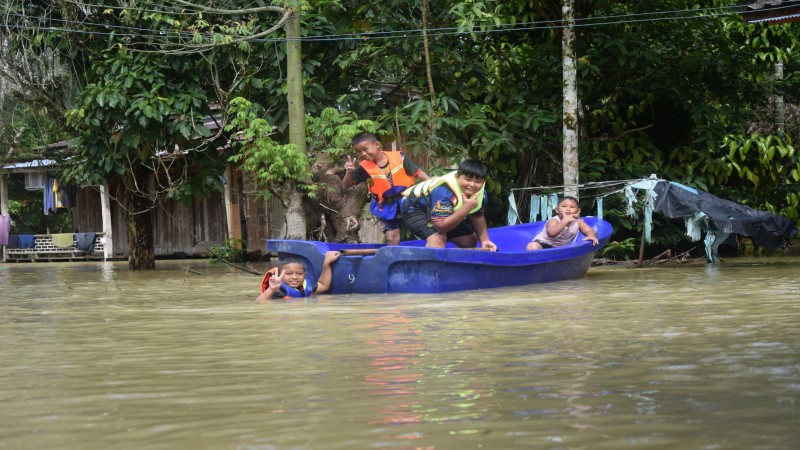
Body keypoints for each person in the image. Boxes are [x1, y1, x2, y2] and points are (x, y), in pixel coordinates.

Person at [342, 132, 429, 245]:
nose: (363, 153)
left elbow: (417, 172)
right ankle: (393, 260)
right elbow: (345, 186)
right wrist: (350, 173)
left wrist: (431, 181)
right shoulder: (363, 168)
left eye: (365, 149)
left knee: (425, 231)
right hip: (386, 206)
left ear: (377, 144)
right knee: (392, 238)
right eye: (359, 152)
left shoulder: (399, 157)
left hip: (408, 201)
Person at [399, 159, 497, 251]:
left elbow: (477, 214)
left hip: (442, 211)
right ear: (457, 177)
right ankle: (429, 267)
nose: (472, 185)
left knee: (469, 241)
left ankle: (454, 263)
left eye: (478, 181)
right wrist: (466, 208)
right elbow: (440, 226)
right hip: (414, 207)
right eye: (468, 180)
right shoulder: (444, 192)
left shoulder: (481, 194)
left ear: (483, 182)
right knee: (438, 240)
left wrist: (485, 240)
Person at [256, 251, 341, 303]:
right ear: (279, 275)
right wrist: (271, 289)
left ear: (305, 275)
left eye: (299, 273)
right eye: (288, 273)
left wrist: (327, 263)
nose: (294, 277)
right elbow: (260, 302)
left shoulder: (306, 286)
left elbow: (324, 285)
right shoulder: (279, 291)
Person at [526, 196, 599, 251]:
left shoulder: (578, 221)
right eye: (564, 206)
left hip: (562, 248)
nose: (568, 209)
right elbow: (551, 233)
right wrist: (565, 221)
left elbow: (589, 230)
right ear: (557, 210)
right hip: (544, 244)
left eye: (572, 207)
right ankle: (536, 267)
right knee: (532, 246)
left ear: (578, 211)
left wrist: (591, 235)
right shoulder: (554, 220)